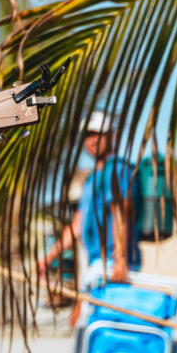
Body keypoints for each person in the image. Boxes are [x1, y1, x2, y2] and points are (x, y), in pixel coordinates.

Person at [38, 111, 141, 288]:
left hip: (115, 265)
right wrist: (48, 257)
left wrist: (120, 260)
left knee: (108, 316)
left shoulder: (118, 170)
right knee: (88, 315)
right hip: (96, 264)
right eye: (88, 135)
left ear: (112, 136)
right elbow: (77, 225)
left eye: (99, 134)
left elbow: (121, 212)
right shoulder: (90, 180)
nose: (93, 140)